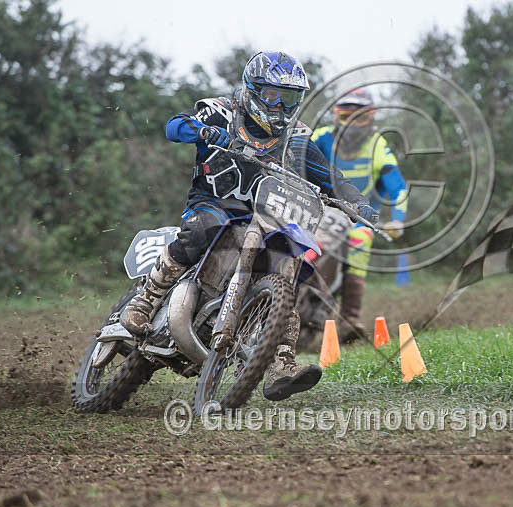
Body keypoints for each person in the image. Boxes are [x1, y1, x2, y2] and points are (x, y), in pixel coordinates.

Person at [119, 51, 377, 401]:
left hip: (266, 216)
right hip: (213, 204)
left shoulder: (297, 137)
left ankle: (280, 361)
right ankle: (146, 301)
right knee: (202, 229)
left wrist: (358, 204)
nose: (281, 106)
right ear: (253, 89)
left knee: (291, 260)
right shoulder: (221, 110)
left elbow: (331, 177)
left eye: (290, 99)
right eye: (273, 95)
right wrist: (204, 131)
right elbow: (174, 126)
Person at [311, 89, 407, 341]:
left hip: (359, 219)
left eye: (360, 117)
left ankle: (349, 320)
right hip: (318, 211)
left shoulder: (378, 145)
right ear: (336, 116)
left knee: (360, 242)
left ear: (371, 118)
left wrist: (397, 219)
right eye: (346, 116)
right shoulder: (321, 137)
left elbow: (397, 187)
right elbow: (294, 153)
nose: (352, 124)